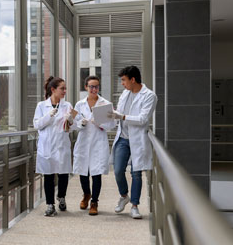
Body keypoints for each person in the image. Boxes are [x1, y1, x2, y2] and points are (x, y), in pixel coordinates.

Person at [108, 65, 158, 219]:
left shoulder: (149, 96)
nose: (122, 84)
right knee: (117, 170)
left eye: (124, 80)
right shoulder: (125, 93)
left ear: (133, 79)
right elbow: (120, 112)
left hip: (137, 139)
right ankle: (124, 196)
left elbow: (143, 119)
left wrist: (122, 117)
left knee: (136, 174)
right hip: (123, 138)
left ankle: (135, 206)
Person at [72, 75, 115, 216]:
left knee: (96, 173)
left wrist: (100, 123)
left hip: (98, 143)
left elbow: (112, 124)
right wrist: (81, 123)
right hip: (84, 142)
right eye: (91, 86)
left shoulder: (105, 104)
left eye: (96, 86)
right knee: (83, 171)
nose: (94, 89)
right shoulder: (79, 104)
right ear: (86, 87)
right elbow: (73, 123)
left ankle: (94, 202)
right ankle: (86, 194)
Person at [33, 76, 75, 216]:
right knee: (48, 175)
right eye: (62, 88)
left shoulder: (67, 105)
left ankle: (61, 197)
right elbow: (37, 124)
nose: (64, 91)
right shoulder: (41, 106)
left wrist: (71, 121)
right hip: (47, 146)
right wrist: (49, 116)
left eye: (65, 88)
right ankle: (50, 205)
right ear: (53, 89)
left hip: (62, 144)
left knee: (63, 173)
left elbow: (72, 127)